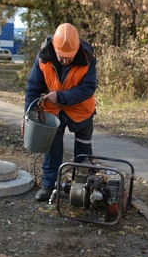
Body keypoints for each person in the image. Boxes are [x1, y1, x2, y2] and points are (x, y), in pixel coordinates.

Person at [24, 23, 96, 201]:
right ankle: (50, 185)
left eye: (69, 58)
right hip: (53, 109)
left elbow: (88, 88)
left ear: (77, 49)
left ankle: (84, 186)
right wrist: (28, 115)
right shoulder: (43, 59)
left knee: (83, 148)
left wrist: (61, 97)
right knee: (52, 146)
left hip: (81, 109)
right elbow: (33, 88)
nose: (65, 61)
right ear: (54, 49)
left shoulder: (87, 58)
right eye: (62, 57)